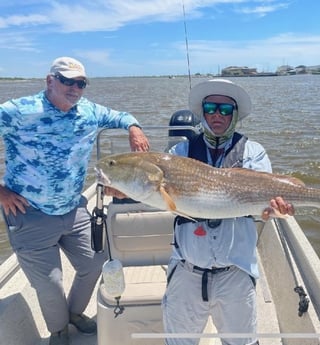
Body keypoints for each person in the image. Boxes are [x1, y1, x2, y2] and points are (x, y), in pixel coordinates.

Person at [0, 57, 149, 345]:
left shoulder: (89, 111)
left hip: (74, 206)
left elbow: (121, 115)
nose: (74, 88)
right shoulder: (17, 111)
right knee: (51, 283)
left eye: (80, 83)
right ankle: (58, 330)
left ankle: (74, 314)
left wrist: (134, 127)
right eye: (67, 81)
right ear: (50, 81)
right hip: (29, 212)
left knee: (97, 263)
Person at [162, 79, 294, 345]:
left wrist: (276, 210)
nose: (216, 114)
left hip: (236, 273)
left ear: (234, 114)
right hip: (186, 271)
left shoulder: (253, 152)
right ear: (202, 112)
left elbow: (265, 198)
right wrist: (123, 189)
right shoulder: (180, 153)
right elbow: (157, 194)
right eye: (210, 107)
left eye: (225, 109)